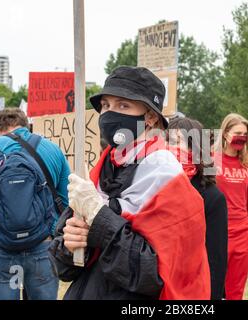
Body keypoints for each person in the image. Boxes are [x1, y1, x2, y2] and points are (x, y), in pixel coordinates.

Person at [49, 66, 210, 300]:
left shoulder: (167, 176)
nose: (109, 113)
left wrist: (99, 218)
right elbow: (64, 268)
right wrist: (70, 246)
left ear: (150, 117)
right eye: (106, 105)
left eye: (123, 105)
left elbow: (151, 275)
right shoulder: (99, 171)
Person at [0, 108, 70, 300]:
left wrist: (0, 211)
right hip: (43, 244)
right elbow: (66, 201)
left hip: (1, 245)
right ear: (26, 125)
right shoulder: (53, 149)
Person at [167, 117, 228, 300]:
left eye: (177, 142)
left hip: (191, 291)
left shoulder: (212, 197)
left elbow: (215, 261)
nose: (171, 149)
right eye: (168, 142)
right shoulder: (151, 187)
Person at [215, 113, 248, 300]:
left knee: (236, 290)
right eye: (237, 132)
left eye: (245, 134)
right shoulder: (211, 158)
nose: (241, 137)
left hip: (242, 233)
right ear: (225, 133)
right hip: (216, 232)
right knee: (213, 286)